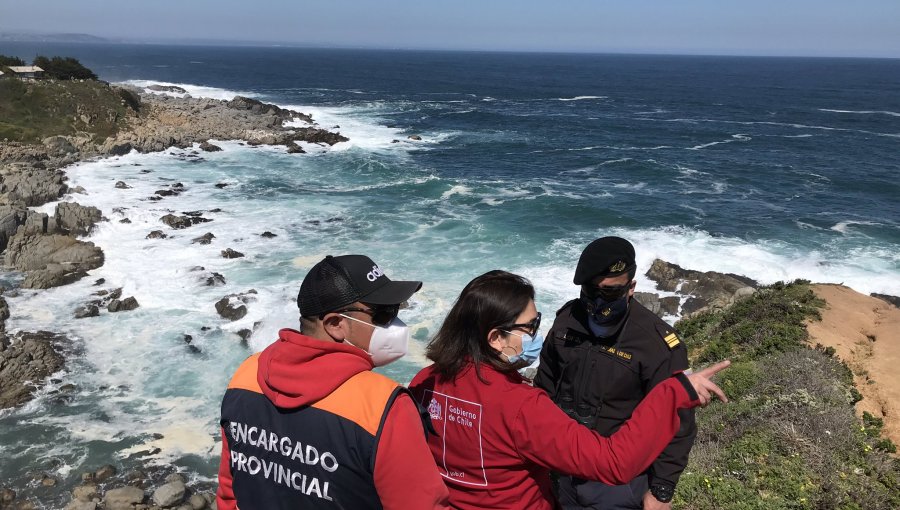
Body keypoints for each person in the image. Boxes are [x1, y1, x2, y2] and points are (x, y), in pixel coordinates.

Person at [409, 270, 728, 510]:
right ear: (495, 338)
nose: (537, 333)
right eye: (530, 327)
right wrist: (673, 392)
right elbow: (614, 464)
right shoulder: (521, 407)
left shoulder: (423, 382)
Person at [216, 254, 450, 510]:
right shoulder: (383, 406)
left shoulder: (246, 374)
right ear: (336, 324)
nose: (397, 323)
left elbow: (230, 493)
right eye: (384, 314)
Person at [534, 236, 694, 510]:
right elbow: (544, 387)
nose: (598, 302)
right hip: (561, 466)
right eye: (591, 291)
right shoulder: (566, 321)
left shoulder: (655, 343)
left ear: (631, 288)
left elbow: (677, 421)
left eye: (610, 292)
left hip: (618, 483)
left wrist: (661, 491)